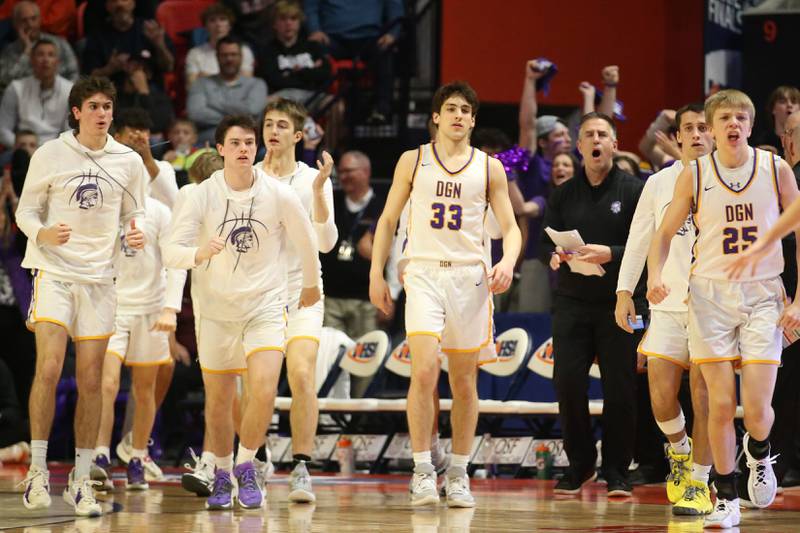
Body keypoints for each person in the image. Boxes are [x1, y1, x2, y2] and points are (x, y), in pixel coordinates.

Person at [650, 89, 800, 529]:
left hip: (762, 293)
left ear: (751, 126)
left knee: (755, 411)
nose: (733, 124)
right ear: (711, 130)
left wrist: (799, 300)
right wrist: (656, 275)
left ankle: (758, 450)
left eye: (740, 117)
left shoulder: (776, 169)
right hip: (709, 295)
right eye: (724, 118)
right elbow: (662, 234)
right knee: (718, 404)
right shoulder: (695, 175)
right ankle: (726, 497)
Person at [369, 81, 521, 507]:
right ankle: (421, 469)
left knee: (464, 380)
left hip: (470, 278)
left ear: (473, 119)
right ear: (435, 117)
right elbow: (386, 221)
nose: (458, 115)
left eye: (465, 110)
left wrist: (506, 261)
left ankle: (457, 471)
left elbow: (510, 228)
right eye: (450, 108)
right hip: (422, 274)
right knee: (422, 372)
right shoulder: (413, 160)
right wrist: (376, 274)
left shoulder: (490, 168)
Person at [162, 114, 321, 510]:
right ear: (219, 149)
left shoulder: (278, 193)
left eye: (250, 142)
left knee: (263, 388)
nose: (245, 149)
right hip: (215, 311)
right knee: (217, 401)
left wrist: (311, 285)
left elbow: (308, 241)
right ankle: (220, 472)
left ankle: (247, 464)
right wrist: (198, 253)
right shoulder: (199, 195)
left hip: (266, 306)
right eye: (235, 143)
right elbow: (170, 252)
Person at [15, 76, 147, 516]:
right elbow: (24, 211)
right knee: (49, 368)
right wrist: (44, 232)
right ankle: (36, 469)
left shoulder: (127, 160)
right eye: (93, 106)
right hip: (54, 271)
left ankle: (82, 476)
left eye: (107, 106)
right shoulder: (51, 153)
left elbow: (136, 213)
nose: (102, 113)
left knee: (92, 381)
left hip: (100, 279)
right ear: (76, 112)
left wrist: (135, 233)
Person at [615, 103, 714, 515]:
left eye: (702, 127)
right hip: (667, 305)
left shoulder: (730, 180)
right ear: (676, 138)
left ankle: (700, 482)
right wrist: (624, 292)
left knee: (704, 396)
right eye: (687, 128)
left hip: (713, 306)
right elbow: (640, 238)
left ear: (714, 133)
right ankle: (679, 450)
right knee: (660, 397)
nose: (695, 134)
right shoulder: (658, 183)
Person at [542, 112, 644, 497]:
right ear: (579, 145)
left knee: (620, 389)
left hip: (618, 304)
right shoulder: (563, 194)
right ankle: (580, 464)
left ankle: (616, 470)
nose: (597, 139)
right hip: (571, 303)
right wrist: (555, 255)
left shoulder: (635, 190)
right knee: (568, 384)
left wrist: (610, 253)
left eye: (603, 133)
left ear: (614, 145)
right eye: (589, 134)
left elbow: (646, 246)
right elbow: (545, 242)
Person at [260, 97, 337, 502]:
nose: (273, 131)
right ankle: (255, 459)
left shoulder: (311, 180)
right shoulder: (248, 176)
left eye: (281, 125)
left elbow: (327, 243)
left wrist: (322, 192)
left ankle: (302, 466)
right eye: (268, 124)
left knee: (303, 374)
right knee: (258, 385)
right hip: (258, 296)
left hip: (304, 291)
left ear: (298, 134)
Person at [92, 188, 185, 491]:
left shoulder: (159, 211)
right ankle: (100, 455)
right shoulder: (103, 208)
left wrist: (170, 308)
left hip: (150, 308)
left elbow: (175, 262)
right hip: (113, 305)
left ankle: (137, 456)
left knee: (144, 390)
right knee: (106, 383)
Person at [320, 150, 385, 339]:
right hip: (331, 298)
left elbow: (394, 254)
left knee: (364, 362)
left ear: (366, 171)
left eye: (349, 171)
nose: (343, 177)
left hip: (365, 300)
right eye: (341, 172)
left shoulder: (383, 208)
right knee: (331, 357)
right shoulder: (331, 203)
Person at [305, 0, 404, 124]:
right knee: (314, 48)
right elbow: (311, 5)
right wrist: (314, 29)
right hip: (332, 39)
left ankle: (381, 110)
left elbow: (394, 5)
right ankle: (319, 111)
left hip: (371, 38)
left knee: (385, 50)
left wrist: (392, 34)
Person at [187, 36, 268, 144]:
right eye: (224, 55)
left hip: (248, 146)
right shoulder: (201, 84)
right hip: (209, 144)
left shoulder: (257, 84)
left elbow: (252, 110)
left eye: (233, 55)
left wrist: (214, 102)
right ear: (217, 57)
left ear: (241, 57)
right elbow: (196, 114)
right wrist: (240, 118)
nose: (229, 59)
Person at [82, 0, 175, 91]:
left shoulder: (150, 29)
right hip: (114, 93)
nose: (119, 4)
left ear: (133, 3)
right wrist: (109, 69)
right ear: (107, 6)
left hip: (152, 91)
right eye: (113, 1)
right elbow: (89, 78)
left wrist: (159, 45)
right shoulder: (97, 36)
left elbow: (169, 66)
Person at [0, 39, 72, 150]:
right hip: (22, 148)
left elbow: (70, 131)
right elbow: (3, 130)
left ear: (57, 62)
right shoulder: (16, 88)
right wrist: (23, 146)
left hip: (55, 150)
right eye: (40, 54)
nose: (45, 60)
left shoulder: (69, 89)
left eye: (51, 55)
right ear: (32, 60)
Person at [259, 1, 332, 109]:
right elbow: (274, 80)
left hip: (312, 95)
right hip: (282, 95)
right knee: (264, 104)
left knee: (333, 103)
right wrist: (310, 72)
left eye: (293, 19)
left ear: (299, 22)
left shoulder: (312, 46)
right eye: (283, 19)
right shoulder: (268, 50)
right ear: (274, 24)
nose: (288, 23)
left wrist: (295, 72)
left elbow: (326, 73)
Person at [0, 1, 79, 94]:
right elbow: (4, 82)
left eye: (33, 19)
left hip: (59, 99)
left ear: (40, 20)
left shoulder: (59, 44)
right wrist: (26, 52)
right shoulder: (10, 51)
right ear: (15, 24)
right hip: (24, 100)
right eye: (24, 20)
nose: (30, 24)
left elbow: (73, 73)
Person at [112, 109, 178, 208]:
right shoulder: (108, 166)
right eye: (133, 133)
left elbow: (174, 204)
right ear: (117, 138)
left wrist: (147, 158)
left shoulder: (164, 167)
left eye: (143, 131)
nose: (139, 137)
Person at [185, 2, 255, 87]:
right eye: (212, 20)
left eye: (223, 19)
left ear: (229, 25)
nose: (218, 24)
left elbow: (246, 86)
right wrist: (231, 79)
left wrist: (205, 77)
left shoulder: (244, 51)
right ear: (205, 26)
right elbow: (191, 88)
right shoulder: (194, 54)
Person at [755, 86, 799, 156]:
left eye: (794, 102)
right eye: (783, 102)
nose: (789, 105)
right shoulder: (763, 141)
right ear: (773, 109)